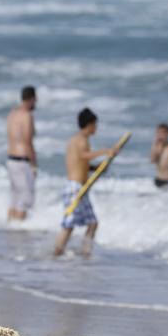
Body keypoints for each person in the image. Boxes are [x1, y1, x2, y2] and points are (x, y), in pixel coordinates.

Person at [54, 108, 116, 257]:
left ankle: (85, 253)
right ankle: (56, 254)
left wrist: (96, 168)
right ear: (89, 124)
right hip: (75, 189)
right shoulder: (81, 140)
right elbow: (83, 156)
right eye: (95, 124)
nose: (96, 128)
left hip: (81, 188)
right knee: (69, 225)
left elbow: (80, 163)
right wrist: (105, 152)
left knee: (93, 223)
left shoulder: (77, 140)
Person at [6, 85, 37, 221]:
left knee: (14, 198)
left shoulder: (12, 114)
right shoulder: (27, 116)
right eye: (35, 99)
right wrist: (34, 164)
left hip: (11, 160)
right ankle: (19, 238)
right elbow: (27, 141)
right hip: (22, 161)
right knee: (25, 201)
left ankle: (10, 229)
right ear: (31, 99)